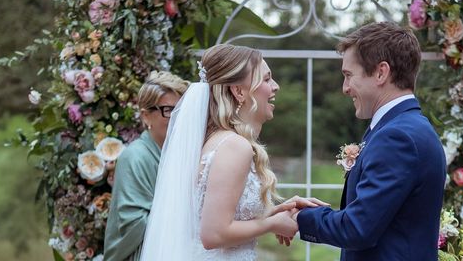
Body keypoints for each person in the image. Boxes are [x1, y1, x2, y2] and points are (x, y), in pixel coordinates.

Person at [140, 44, 327, 260]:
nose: (275, 87)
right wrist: (271, 224)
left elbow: (213, 217)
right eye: (266, 79)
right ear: (238, 91)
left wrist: (273, 212)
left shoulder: (215, 141)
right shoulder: (234, 146)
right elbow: (213, 234)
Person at [296, 22, 447, 260]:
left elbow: (358, 228)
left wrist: (299, 219)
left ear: (380, 72)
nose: (345, 88)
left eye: (348, 75)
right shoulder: (404, 127)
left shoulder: (398, 137)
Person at [104, 71, 190, 261]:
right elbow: (134, 223)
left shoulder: (183, 154)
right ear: (146, 116)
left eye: (181, 111)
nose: (177, 118)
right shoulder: (135, 157)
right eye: (168, 110)